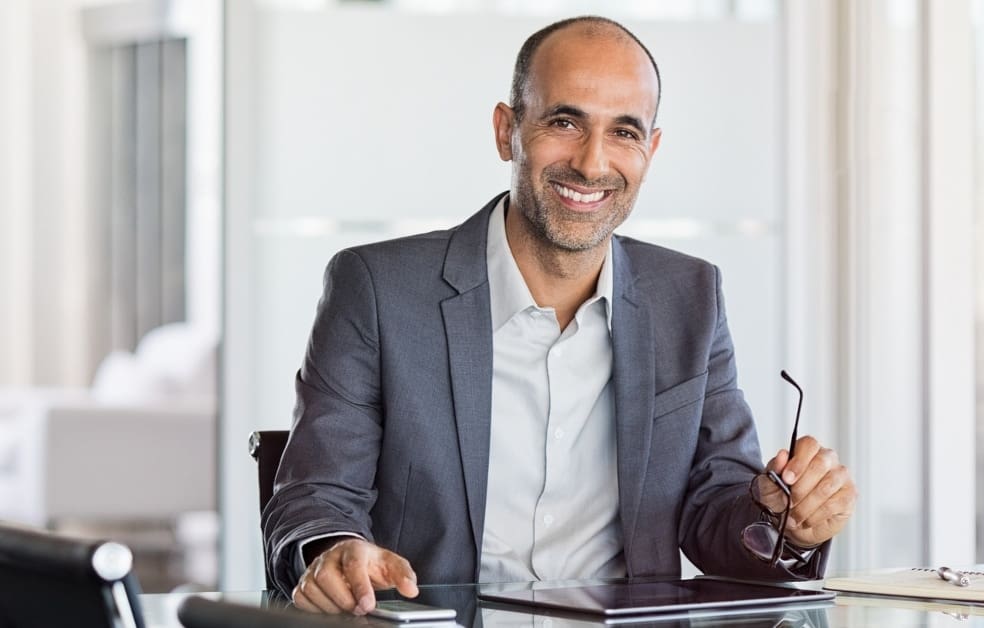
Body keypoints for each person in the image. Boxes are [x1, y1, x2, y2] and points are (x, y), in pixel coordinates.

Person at [262, 15, 857, 616]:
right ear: (506, 131)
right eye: (565, 122)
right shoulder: (379, 288)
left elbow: (717, 514)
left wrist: (783, 519)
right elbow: (315, 497)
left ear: (650, 150)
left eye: (624, 132)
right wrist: (336, 550)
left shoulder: (690, 295)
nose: (593, 163)